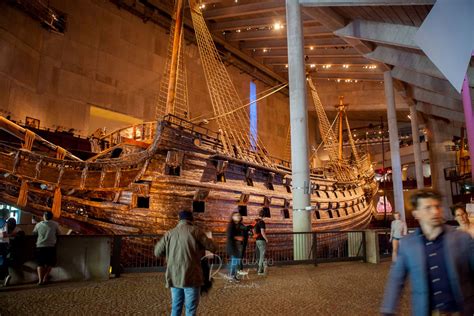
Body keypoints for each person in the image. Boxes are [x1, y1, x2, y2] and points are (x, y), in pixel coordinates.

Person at [381, 189, 474, 316]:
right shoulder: (408, 244)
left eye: (437, 206)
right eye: (428, 208)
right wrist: (388, 311)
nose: (435, 211)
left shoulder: (462, 238)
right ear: (416, 213)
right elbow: (396, 279)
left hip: (461, 312)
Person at [155, 211, 216, 316]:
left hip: (174, 276)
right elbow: (213, 248)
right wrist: (209, 240)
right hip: (192, 277)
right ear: (191, 220)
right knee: (190, 309)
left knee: (176, 306)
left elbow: (157, 252)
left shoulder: (170, 233)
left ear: (179, 219)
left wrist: (170, 252)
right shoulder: (196, 231)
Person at [33, 211, 60, 285]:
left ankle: (40, 280)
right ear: (52, 217)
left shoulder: (38, 225)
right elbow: (59, 233)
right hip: (51, 246)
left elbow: (34, 233)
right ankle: (45, 277)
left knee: (40, 264)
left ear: (44, 216)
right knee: (50, 263)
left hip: (40, 246)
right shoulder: (55, 224)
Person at [3, 218, 25, 286]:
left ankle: (7, 277)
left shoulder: (18, 230)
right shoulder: (17, 230)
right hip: (11, 250)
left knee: (7, 263)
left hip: (12, 250)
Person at [226, 211, 244, 282]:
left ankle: (232, 275)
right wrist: (238, 238)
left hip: (235, 246)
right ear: (232, 217)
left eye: (239, 215)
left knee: (235, 262)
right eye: (236, 215)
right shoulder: (231, 225)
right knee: (234, 262)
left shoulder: (237, 225)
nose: (238, 216)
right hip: (232, 246)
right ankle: (232, 276)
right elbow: (229, 236)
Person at [254, 209, 268, 275]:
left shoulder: (256, 222)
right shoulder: (262, 222)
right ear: (264, 215)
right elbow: (262, 232)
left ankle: (260, 269)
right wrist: (266, 239)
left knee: (260, 255)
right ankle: (260, 270)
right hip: (262, 240)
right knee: (262, 255)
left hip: (257, 240)